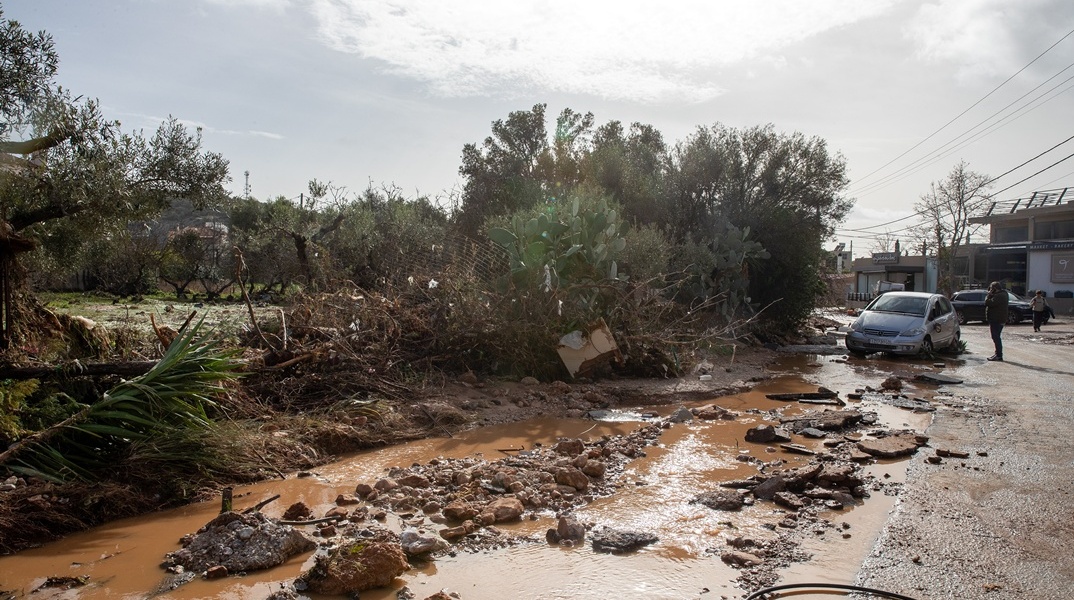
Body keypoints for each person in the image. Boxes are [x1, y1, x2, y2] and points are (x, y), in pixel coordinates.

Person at [985, 281, 1009, 361]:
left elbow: (988, 303)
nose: (990, 290)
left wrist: (988, 296)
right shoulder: (1003, 294)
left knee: (996, 337)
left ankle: (999, 355)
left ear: (995, 289)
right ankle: (997, 354)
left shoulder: (999, 296)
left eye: (991, 289)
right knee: (996, 337)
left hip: (996, 319)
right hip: (998, 319)